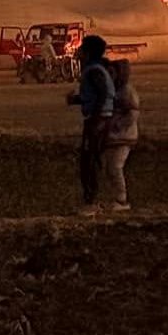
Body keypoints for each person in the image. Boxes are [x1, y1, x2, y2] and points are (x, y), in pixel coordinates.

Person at [67, 34, 113, 215]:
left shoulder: (94, 70)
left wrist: (94, 117)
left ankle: (91, 202)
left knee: (89, 160)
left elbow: (101, 94)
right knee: (91, 159)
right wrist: (76, 100)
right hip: (101, 117)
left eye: (82, 48)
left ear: (87, 52)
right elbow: (97, 95)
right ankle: (92, 199)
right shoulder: (99, 69)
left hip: (97, 120)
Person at [104, 58, 141, 210]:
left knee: (115, 167)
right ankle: (115, 198)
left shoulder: (126, 92)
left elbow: (132, 114)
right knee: (110, 168)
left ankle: (122, 200)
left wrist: (117, 125)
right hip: (115, 136)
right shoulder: (115, 91)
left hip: (123, 136)